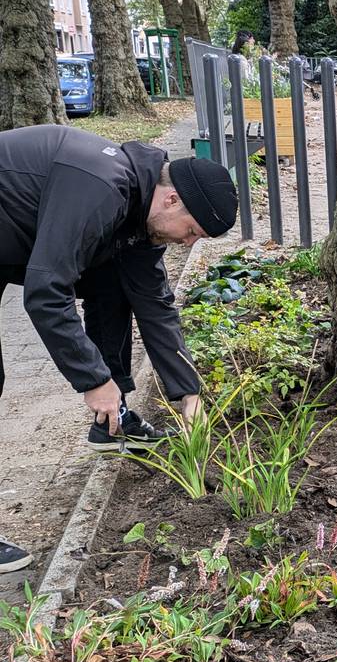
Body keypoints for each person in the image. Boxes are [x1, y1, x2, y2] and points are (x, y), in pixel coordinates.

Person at [0, 125, 237, 572]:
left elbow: (154, 304)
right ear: (172, 200)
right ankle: (108, 405)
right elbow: (46, 291)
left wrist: (188, 393)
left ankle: (113, 421)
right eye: (192, 231)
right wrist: (93, 381)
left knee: (112, 283)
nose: (188, 243)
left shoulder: (139, 212)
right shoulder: (101, 187)